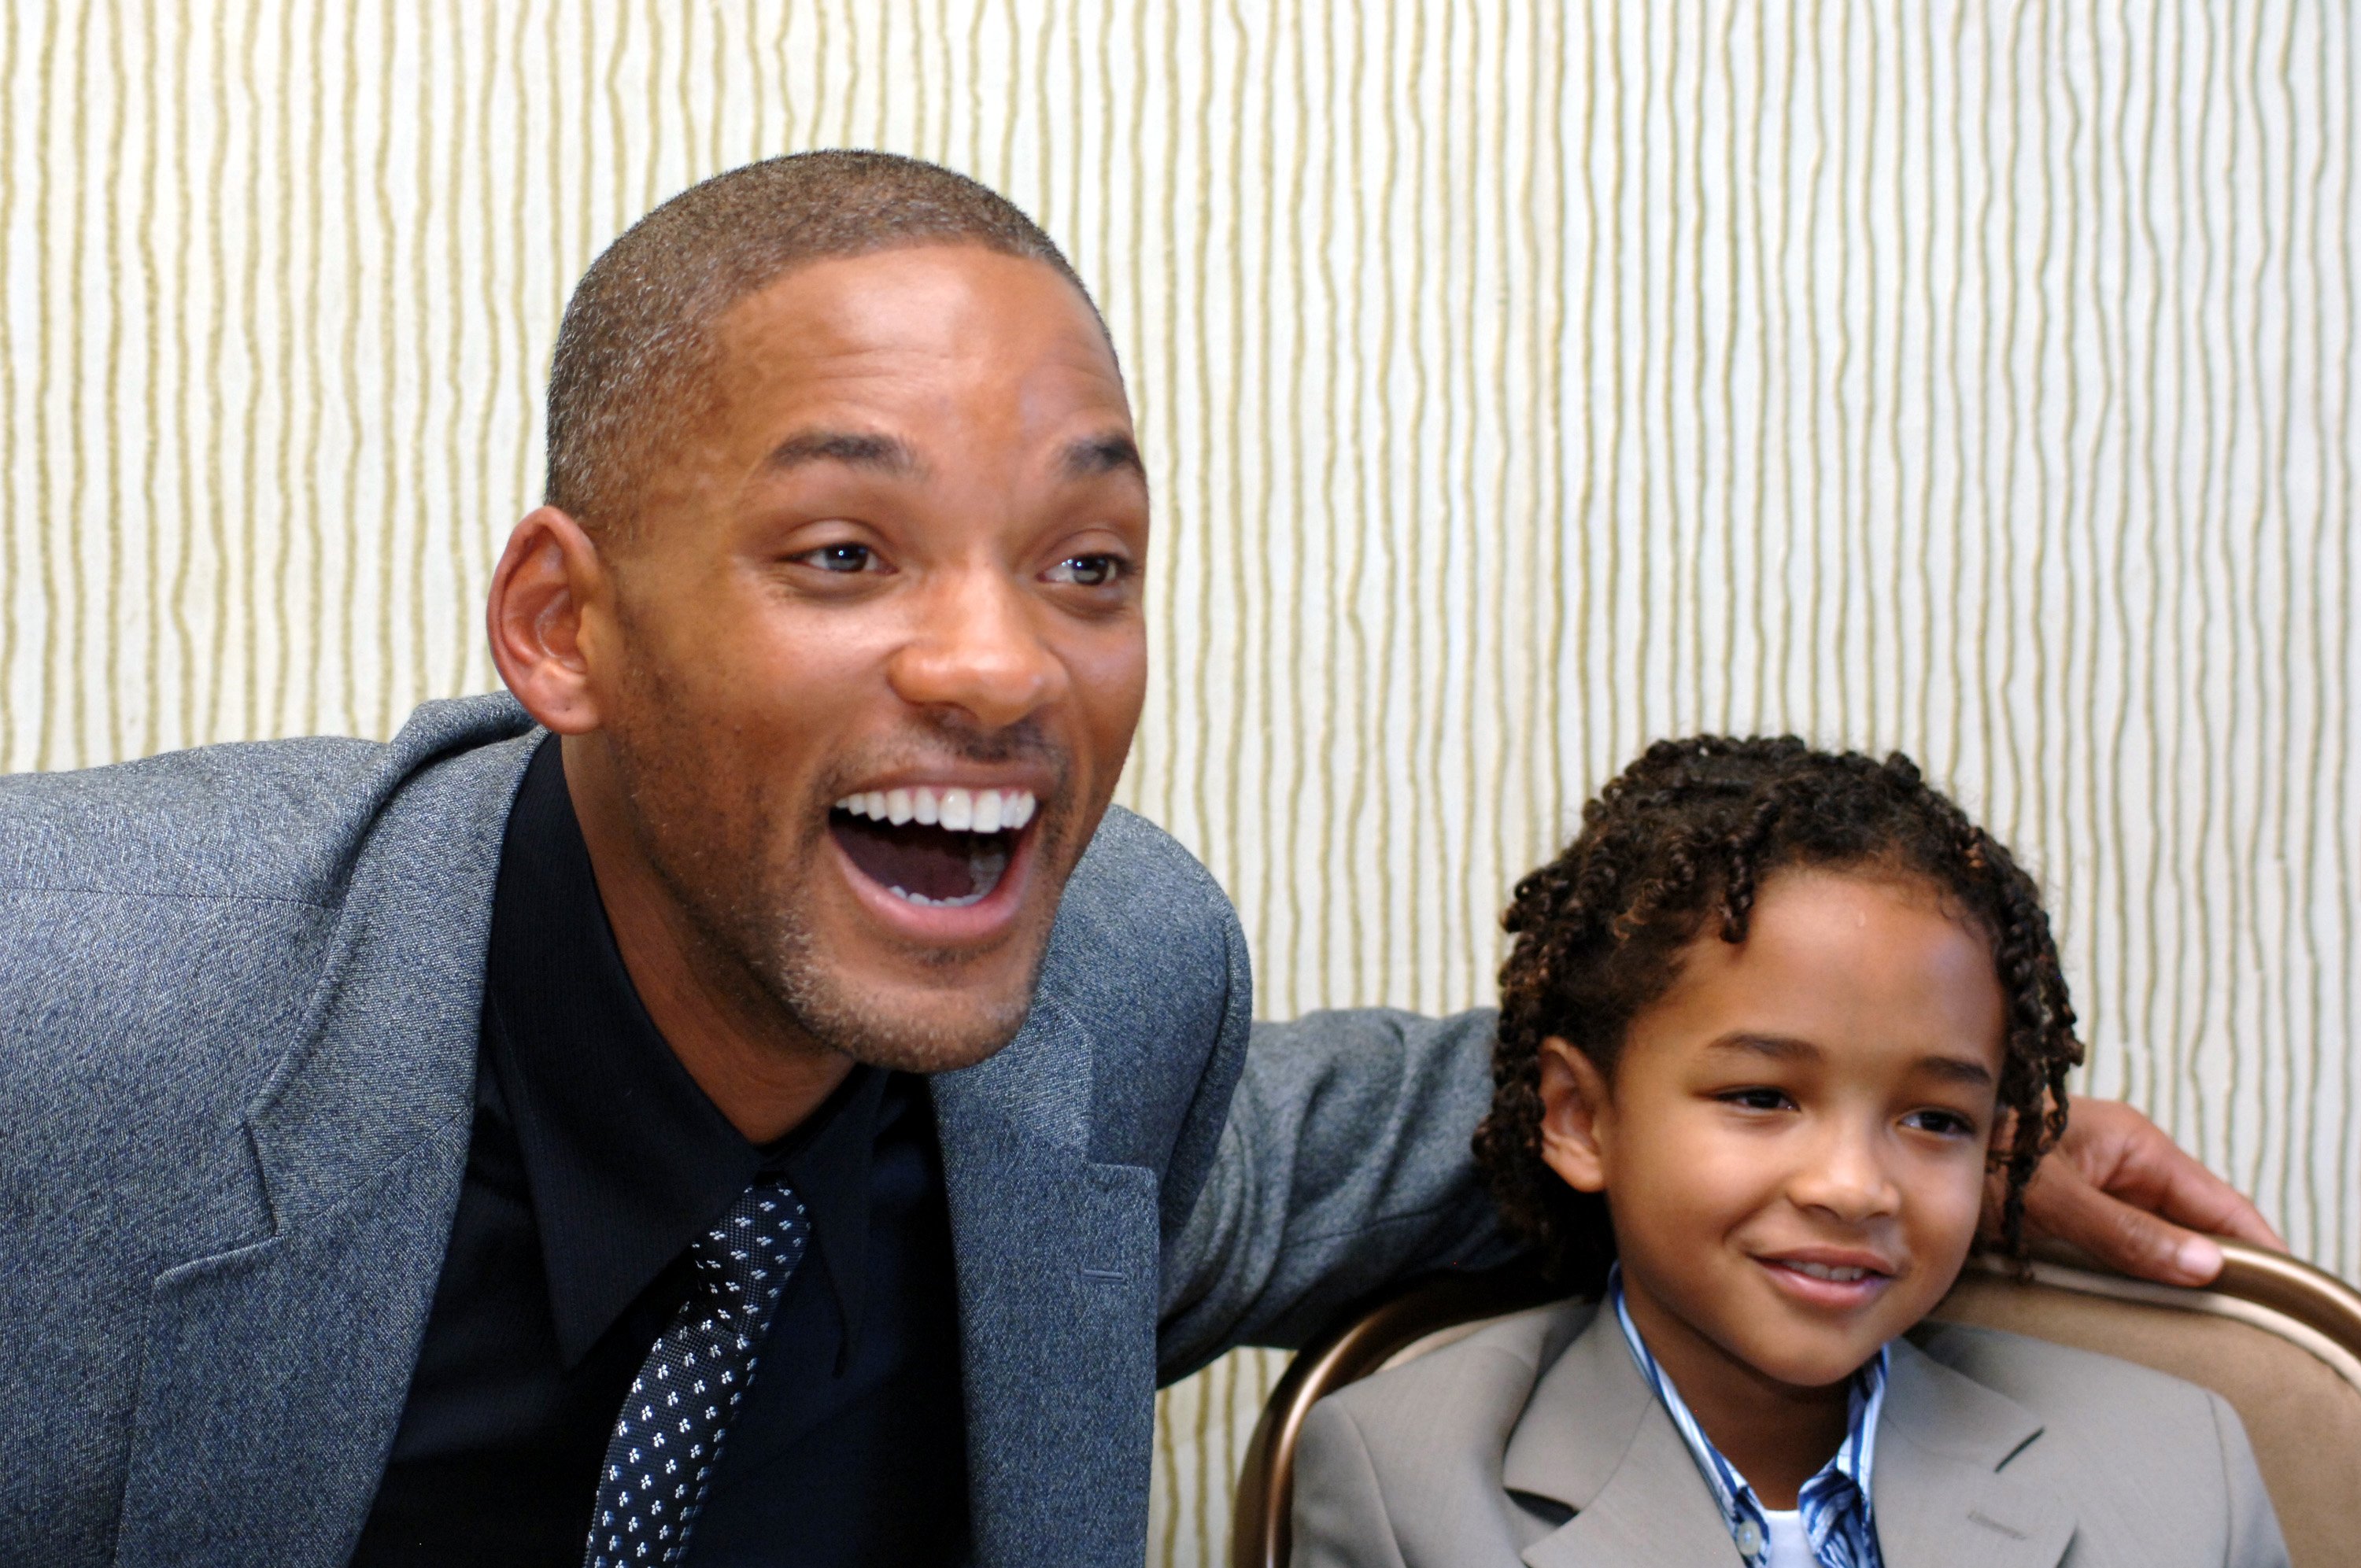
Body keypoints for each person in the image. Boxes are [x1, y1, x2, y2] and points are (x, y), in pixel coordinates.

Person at [0, 154, 2275, 1568]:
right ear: (561, 627)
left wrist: (1929, 1130)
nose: (1001, 665)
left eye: (1086, 563)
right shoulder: (80, 996)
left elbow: (1392, 1128)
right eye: (844, 549)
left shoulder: (1118, 992)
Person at [1290, 736, 2289, 1568]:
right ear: (1581, 1119)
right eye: (1761, 1097)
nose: (1854, 1186)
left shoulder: (2178, 1469)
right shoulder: (1412, 1486)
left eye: (1935, 1119)